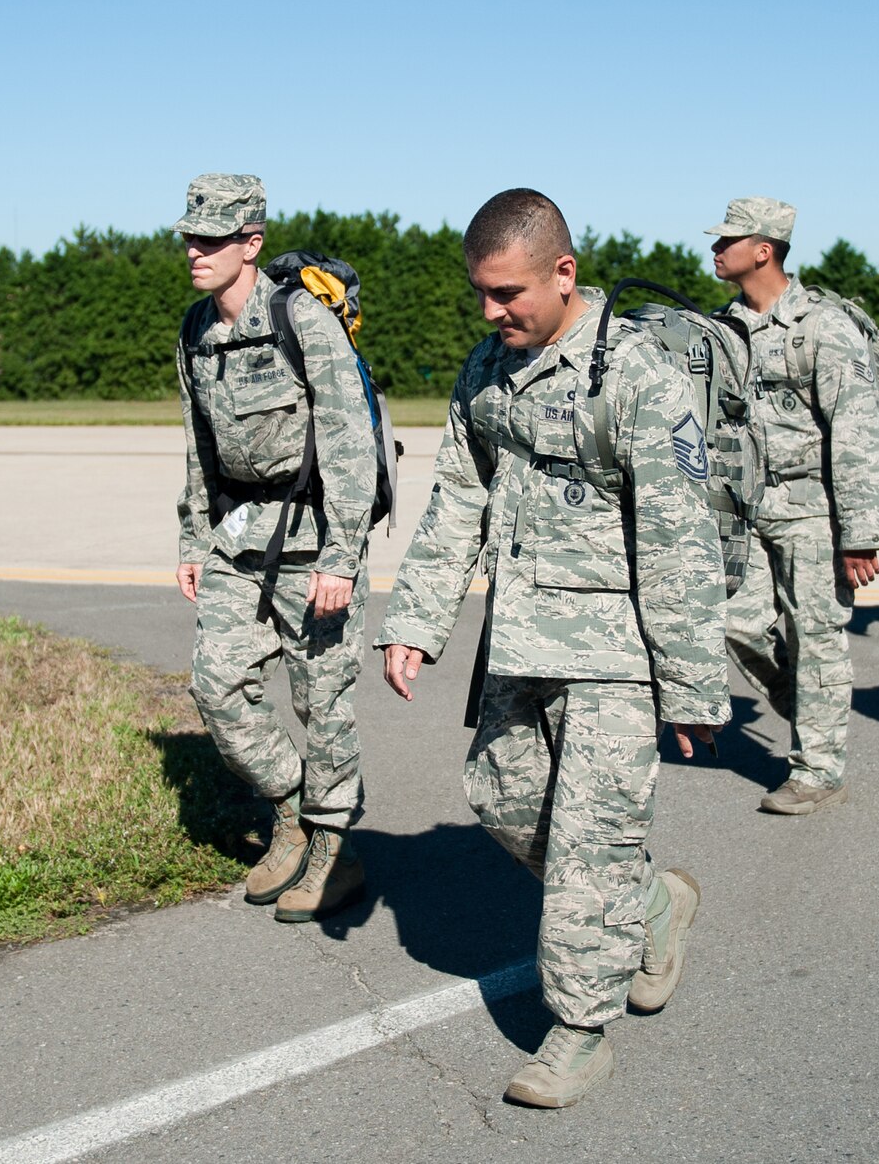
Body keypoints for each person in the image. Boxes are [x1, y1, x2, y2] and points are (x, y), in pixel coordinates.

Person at [376, 188, 727, 1109]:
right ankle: (650, 900)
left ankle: (577, 1032)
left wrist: (692, 683)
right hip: (521, 639)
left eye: (509, 294)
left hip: (616, 653)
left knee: (584, 845)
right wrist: (416, 620)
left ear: (563, 275)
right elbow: (458, 498)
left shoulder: (637, 375)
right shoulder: (488, 370)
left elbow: (679, 534)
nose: (493, 313)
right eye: (482, 296)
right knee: (498, 795)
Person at [173, 173, 379, 922]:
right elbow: (197, 446)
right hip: (240, 538)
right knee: (215, 684)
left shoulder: (303, 320)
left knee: (322, 703)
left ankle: (334, 851)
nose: (196, 251)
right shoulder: (196, 330)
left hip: (316, 535)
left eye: (213, 239)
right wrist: (193, 536)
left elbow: (353, 443)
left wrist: (342, 559)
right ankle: (291, 811)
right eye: (190, 236)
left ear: (250, 244)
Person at [711, 196, 879, 815]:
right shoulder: (722, 328)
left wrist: (860, 534)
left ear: (763, 250)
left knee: (816, 634)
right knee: (734, 620)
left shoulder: (825, 326)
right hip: (743, 505)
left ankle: (818, 767)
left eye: (726, 241)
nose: (714, 250)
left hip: (813, 506)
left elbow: (857, 432)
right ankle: (807, 702)